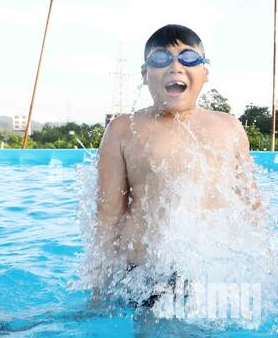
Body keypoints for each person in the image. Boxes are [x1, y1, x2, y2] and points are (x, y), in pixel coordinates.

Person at [93, 24, 263, 297]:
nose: (175, 67)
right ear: (145, 74)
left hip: (216, 274)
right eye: (161, 59)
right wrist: (99, 285)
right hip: (147, 274)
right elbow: (108, 216)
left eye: (189, 58)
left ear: (205, 72)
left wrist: (263, 267)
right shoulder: (124, 130)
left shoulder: (229, 128)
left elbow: (251, 208)